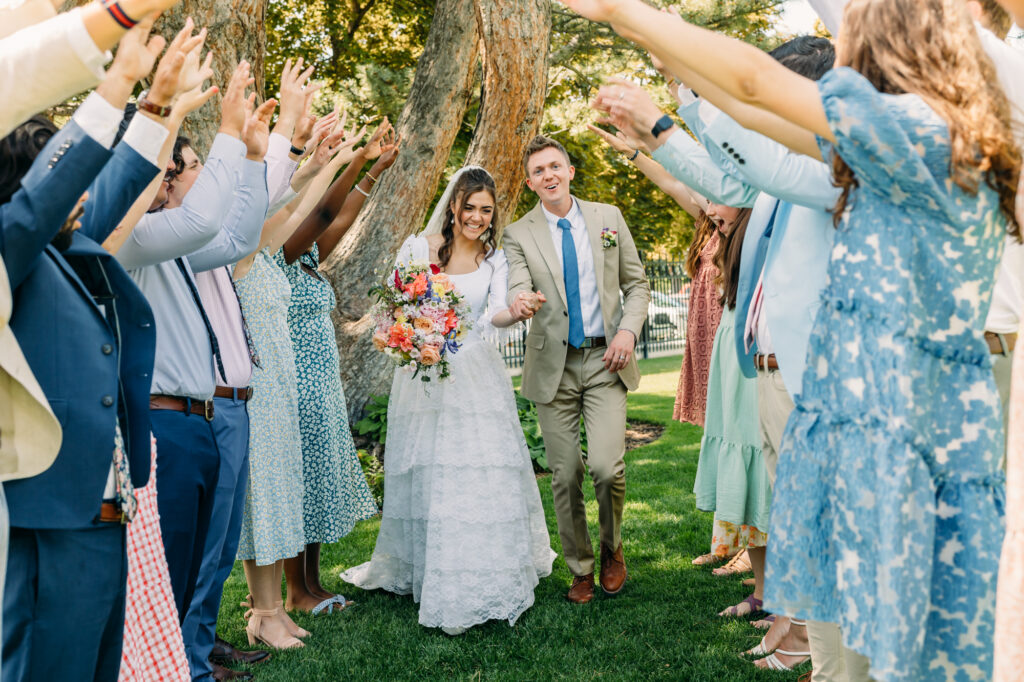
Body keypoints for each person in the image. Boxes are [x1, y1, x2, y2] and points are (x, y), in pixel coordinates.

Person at [562, 0, 1020, 679]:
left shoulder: (914, 138)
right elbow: (753, 111)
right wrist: (667, 59)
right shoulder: (927, 138)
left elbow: (754, 89)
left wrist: (625, 14)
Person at [0, 15, 191, 678]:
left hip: (104, 517)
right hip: (50, 521)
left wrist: (160, 103)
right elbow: (41, 205)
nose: (82, 192)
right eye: (63, 175)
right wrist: (117, 82)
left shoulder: (68, 249)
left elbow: (115, 183)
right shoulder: (13, 251)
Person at [341, 166, 556, 634]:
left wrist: (516, 311)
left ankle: (485, 571)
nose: (476, 218)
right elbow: (396, 307)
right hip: (423, 375)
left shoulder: (496, 259)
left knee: (478, 472)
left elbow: (494, 313)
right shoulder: (419, 250)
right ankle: (427, 567)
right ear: (453, 205)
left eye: (486, 210)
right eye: (470, 207)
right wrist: (414, 340)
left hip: (474, 373)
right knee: (431, 471)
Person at [503, 135, 650, 604]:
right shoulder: (518, 232)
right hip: (554, 367)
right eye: (538, 172)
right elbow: (517, 282)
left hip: (607, 359)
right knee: (565, 475)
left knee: (607, 468)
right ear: (530, 184)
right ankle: (580, 567)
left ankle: (612, 549)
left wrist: (627, 332)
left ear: (569, 171)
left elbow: (638, 285)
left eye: (554, 167)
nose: (548, 176)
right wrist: (520, 300)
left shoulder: (608, 218)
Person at [276, 122, 394, 616]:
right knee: (298, 484)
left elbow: (341, 217)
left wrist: (375, 172)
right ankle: (295, 592)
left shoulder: (306, 258)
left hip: (322, 386)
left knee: (318, 482)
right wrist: (356, 160)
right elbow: (325, 208)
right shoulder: (277, 255)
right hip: (293, 387)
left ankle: (313, 583)